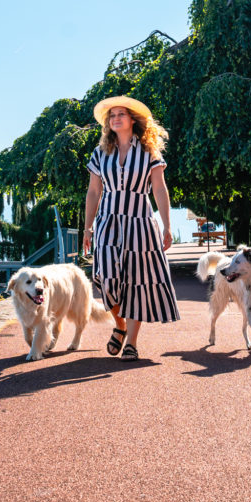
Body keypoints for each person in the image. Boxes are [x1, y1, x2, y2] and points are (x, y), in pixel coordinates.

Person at [82, 95, 180, 361]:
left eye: (120, 114)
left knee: (138, 282)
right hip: (108, 220)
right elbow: (93, 192)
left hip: (140, 220)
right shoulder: (100, 153)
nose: (115, 118)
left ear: (132, 119)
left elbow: (159, 188)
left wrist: (167, 226)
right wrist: (87, 228)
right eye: (111, 115)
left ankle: (132, 343)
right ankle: (120, 324)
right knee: (107, 276)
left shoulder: (149, 152)